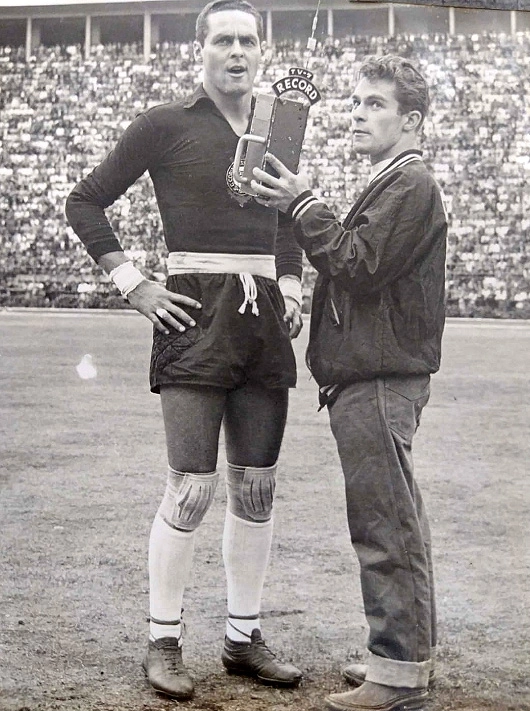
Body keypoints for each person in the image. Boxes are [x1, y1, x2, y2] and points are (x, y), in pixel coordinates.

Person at [65, 0, 304, 700]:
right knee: (193, 487)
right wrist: (134, 283)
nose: (237, 51)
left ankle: (242, 637)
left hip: (263, 322)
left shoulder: (278, 126)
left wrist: (290, 285)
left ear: (262, 51)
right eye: (224, 39)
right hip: (194, 314)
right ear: (199, 49)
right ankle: (162, 639)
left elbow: (285, 218)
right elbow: (85, 201)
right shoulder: (163, 124)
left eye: (248, 40)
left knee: (257, 485)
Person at [251, 55, 447, 711]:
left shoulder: (410, 183)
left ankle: (397, 678)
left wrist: (303, 202)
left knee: (383, 526)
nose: (356, 113)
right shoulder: (393, 180)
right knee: (398, 523)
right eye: (355, 101)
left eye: (374, 104)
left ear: (411, 119)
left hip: (379, 379)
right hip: (373, 376)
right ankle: (407, 656)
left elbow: (358, 263)